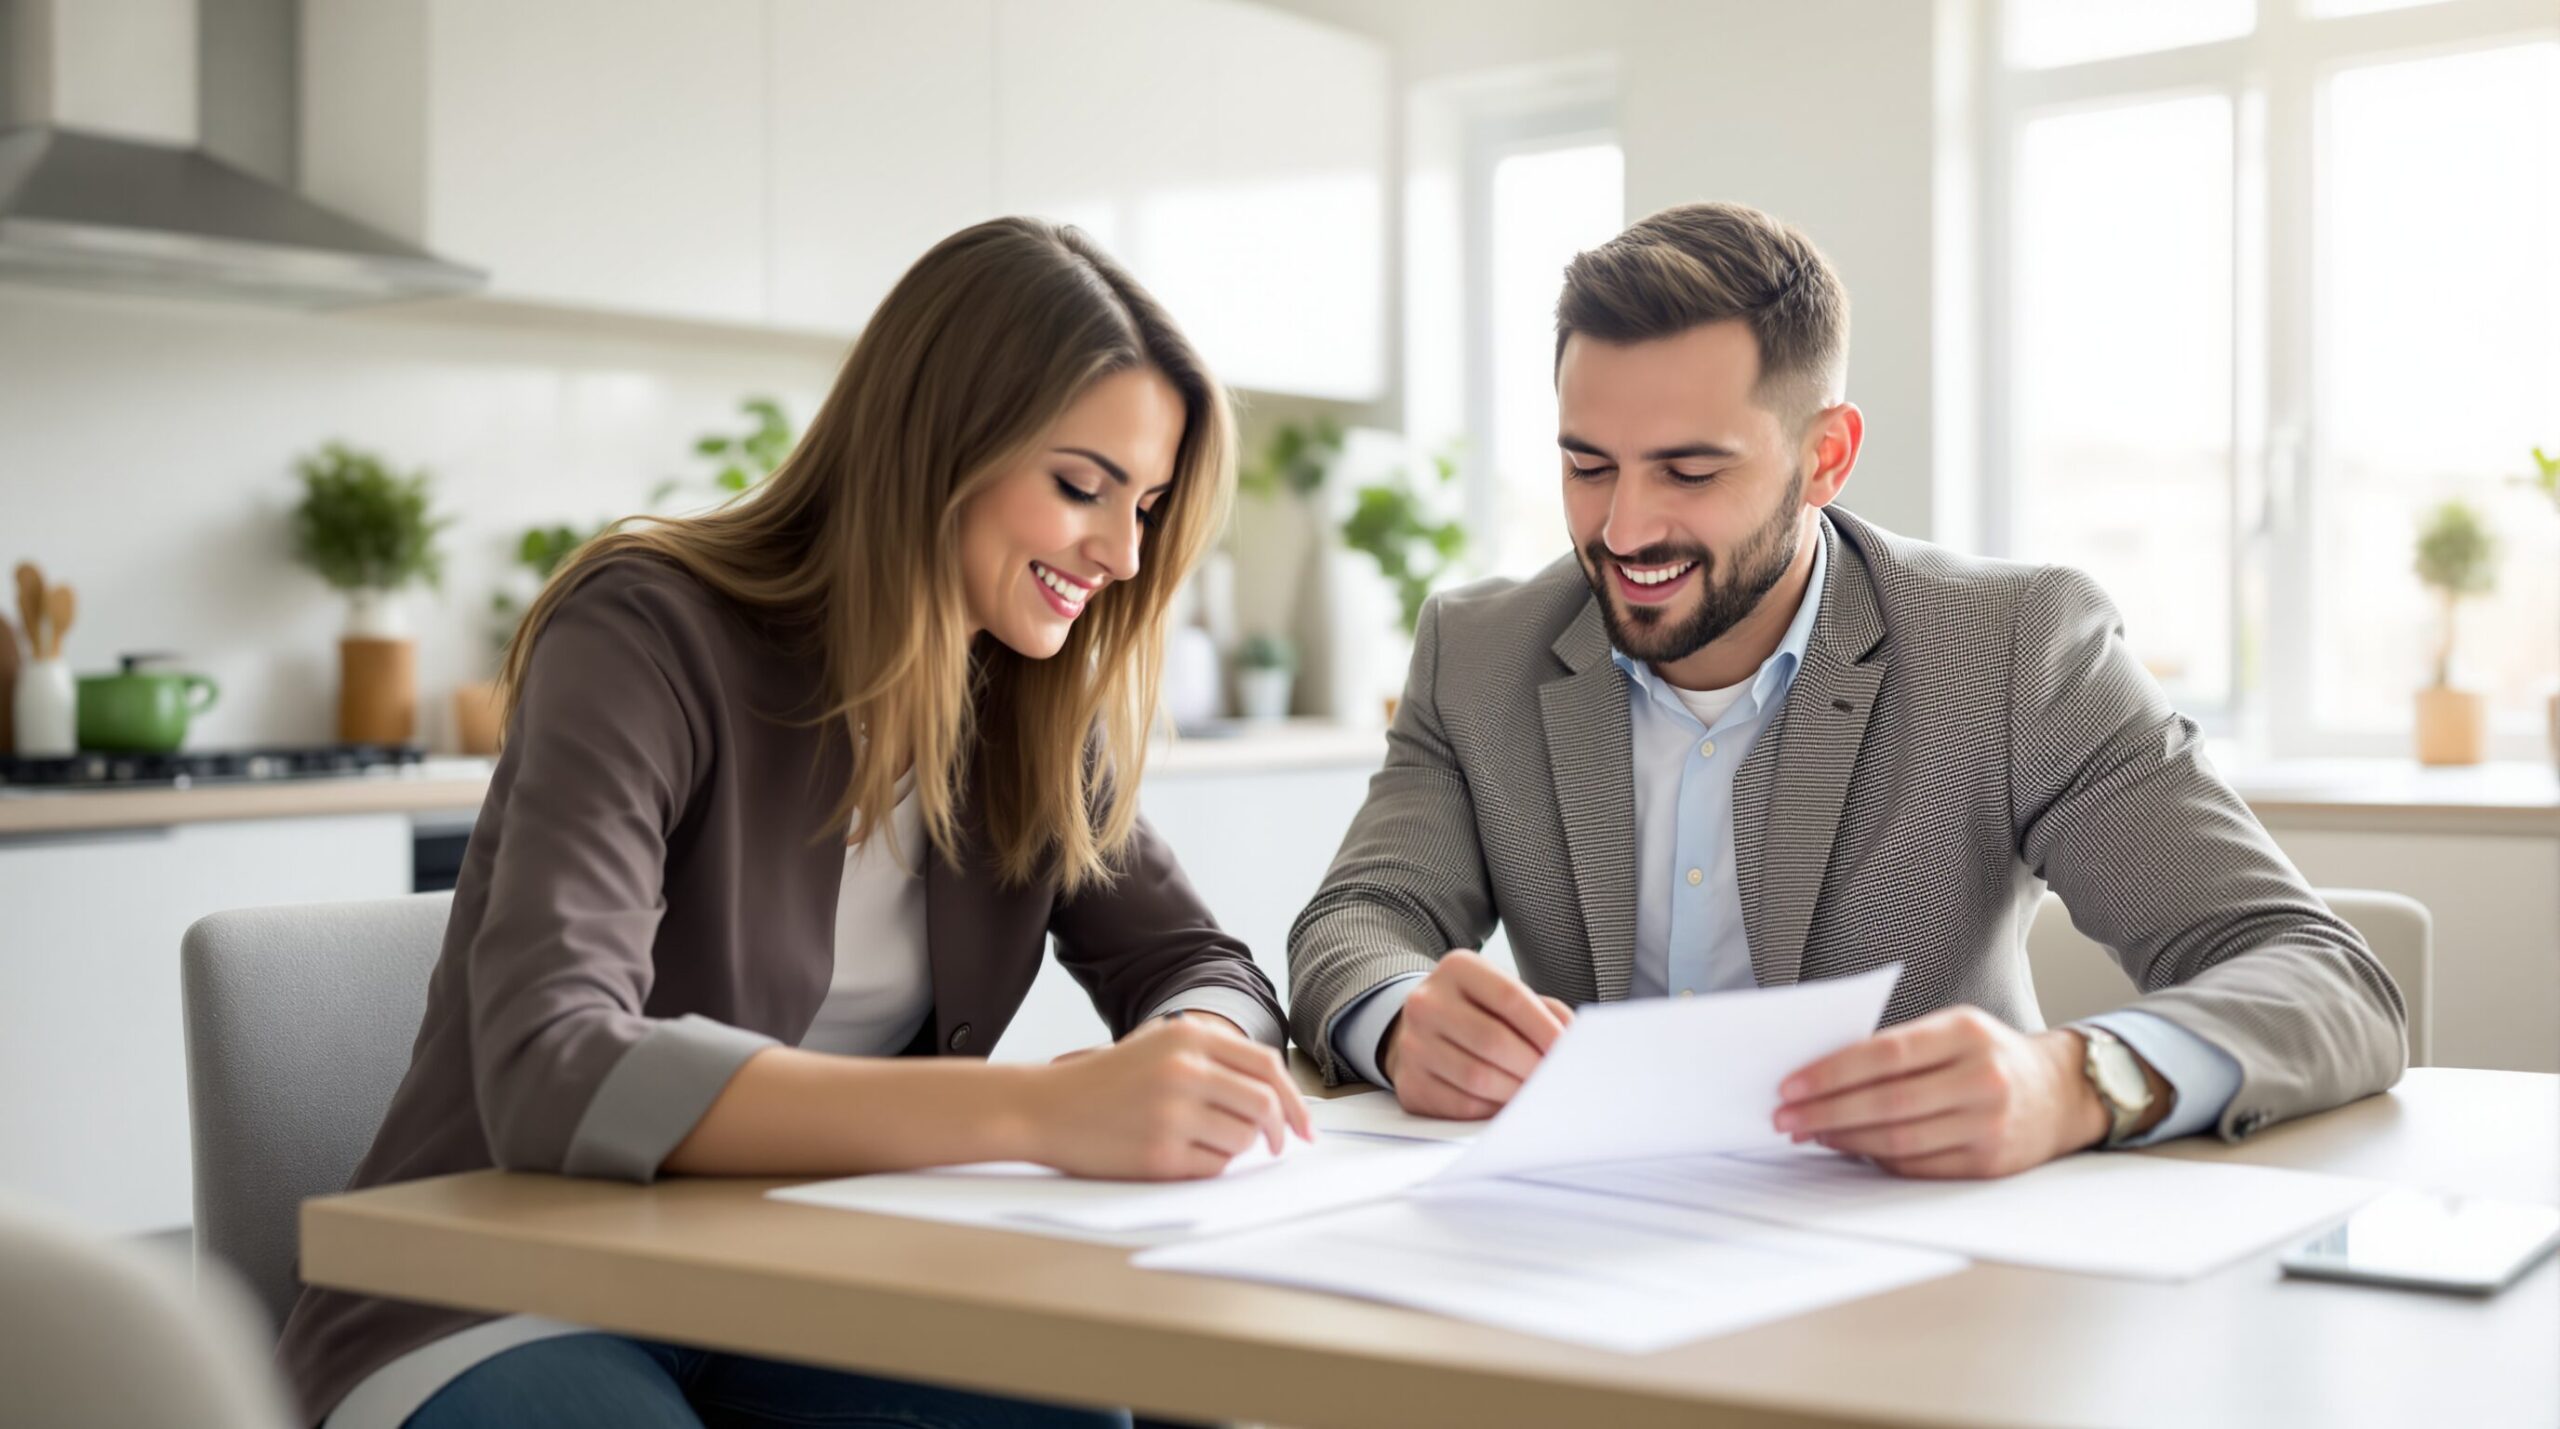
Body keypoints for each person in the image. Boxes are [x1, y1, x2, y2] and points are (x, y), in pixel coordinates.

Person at [277, 216, 1310, 1428]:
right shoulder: (646, 633)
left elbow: (1202, 964)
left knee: (1079, 1410)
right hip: (502, 1299)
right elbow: (554, 1068)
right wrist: (1040, 1113)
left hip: (804, 1292)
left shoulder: (1026, 710)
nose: (1124, 554)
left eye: (1147, 504)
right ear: (936, 444)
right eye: (1081, 487)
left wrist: (1188, 1059)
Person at [1290, 200, 2404, 1180]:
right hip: (1586, 1247)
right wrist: (1400, 1015)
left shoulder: (2014, 647)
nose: (1623, 530)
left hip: (1919, 1260)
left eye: (1689, 470)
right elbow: (1358, 921)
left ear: (1825, 457)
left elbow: (2326, 981)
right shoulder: (1479, 650)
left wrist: (2070, 1081)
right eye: (1588, 466)